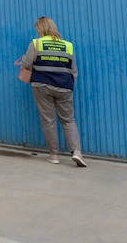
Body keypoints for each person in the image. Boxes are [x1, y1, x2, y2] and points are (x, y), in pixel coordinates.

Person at [18, 16, 86, 167]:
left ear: (41, 28)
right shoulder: (68, 45)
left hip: (42, 85)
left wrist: (23, 59)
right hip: (64, 86)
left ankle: (54, 155)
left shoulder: (36, 43)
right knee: (68, 119)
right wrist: (69, 84)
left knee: (48, 120)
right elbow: (74, 70)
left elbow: (28, 63)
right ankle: (77, 152)